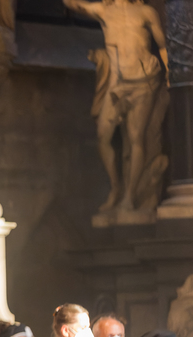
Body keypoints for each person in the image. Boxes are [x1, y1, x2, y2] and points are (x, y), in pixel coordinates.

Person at [62, 0, 169, 211]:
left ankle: (130, 196)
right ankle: (116, 187)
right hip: (117, 85)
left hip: (143, 81)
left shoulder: (145, 12)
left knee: (136, 136)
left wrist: (169, 73)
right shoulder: (104, 11)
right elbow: (73, 4)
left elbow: (163, 45)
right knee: (103, 135)